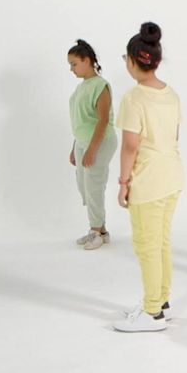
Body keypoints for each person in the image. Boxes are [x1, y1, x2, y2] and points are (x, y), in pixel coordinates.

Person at [112, 23, 184, 332]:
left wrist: (123, 183)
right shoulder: (171, 95)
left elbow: (130, 145)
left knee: (147, 245)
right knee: (161, 242)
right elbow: (174, 136)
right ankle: (161, 302)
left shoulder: (133, 98)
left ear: (132, 61)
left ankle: (152, 312)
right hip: (172, 177)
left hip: (148, 182)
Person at [67, 39, 117, 250]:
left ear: (87, 61)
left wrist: (92, 148)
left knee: (93, 184)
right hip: (82, 142)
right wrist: (75, 147)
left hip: (100, 141)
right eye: (70, 65)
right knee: (83, 184)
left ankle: (95, 231)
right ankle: (101, 230)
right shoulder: (80, 87)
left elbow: (102, 120)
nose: (71, 69)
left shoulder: (100, 85)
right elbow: (82, 121)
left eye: (74, 64)